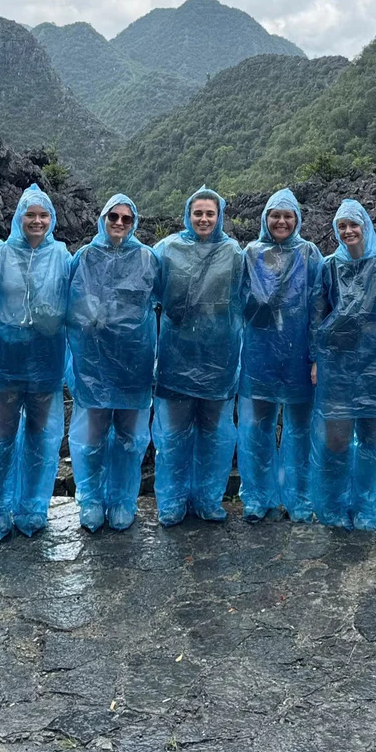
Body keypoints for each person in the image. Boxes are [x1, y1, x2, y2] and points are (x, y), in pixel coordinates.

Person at [0, 184, 71, 539]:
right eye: (30, 214)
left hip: (45, 360)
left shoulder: (62, 256)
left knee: (39, 437)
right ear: (18, 218)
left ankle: (32, 506)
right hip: (5, 360)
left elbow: (76, 303)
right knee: (1, 437)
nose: (37, 221)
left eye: (43, 215)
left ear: (51, 219)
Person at [310, 199, 376, 531]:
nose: (349, 231)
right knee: (336, 440)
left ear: (366, 227)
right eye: (342, 226)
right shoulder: (327, 268)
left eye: (354, 224)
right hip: (337, 367)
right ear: (337, 231)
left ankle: (364, 506)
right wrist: (315, 359)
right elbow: (317, 317)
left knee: (371, 439)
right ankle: (333, 506)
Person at [66, 194, 159, 532]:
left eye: (126, 219)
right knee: (91, 437)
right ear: (102, 219)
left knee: (129, 438)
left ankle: (122, 500)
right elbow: (69, 308)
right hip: (94, 364)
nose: (119, 224)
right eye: (113, 217)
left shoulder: (147, 259)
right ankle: (90, 499)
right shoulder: (85, 257)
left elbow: (166, 301)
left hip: (134, 362)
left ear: (134, 224)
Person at [152, 187, 244, 525]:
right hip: (178, 356)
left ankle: (207, 498)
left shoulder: (233, 252)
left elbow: (246, 299)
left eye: (210, 213)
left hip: (218, 357)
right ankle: (173, 500)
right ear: (187, 216)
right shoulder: (167, 249)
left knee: (213, 433)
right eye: (198, 213)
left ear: (219, 216)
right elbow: (145, 290)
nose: (204, 219)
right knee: (174, 434)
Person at [237, 189, 323, 521]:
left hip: (300, 354)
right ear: (265, 219)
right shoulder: (251, 253)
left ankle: (299, 496)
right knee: (258, 427)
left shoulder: (309, 253)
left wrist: (316, 354)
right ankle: (259, 496)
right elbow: (239, 301)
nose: (282, 221)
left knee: (300, 429)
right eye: (276, 215)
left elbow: (317, 306)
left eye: (288, 216)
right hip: (260, 353)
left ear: (297, 220)